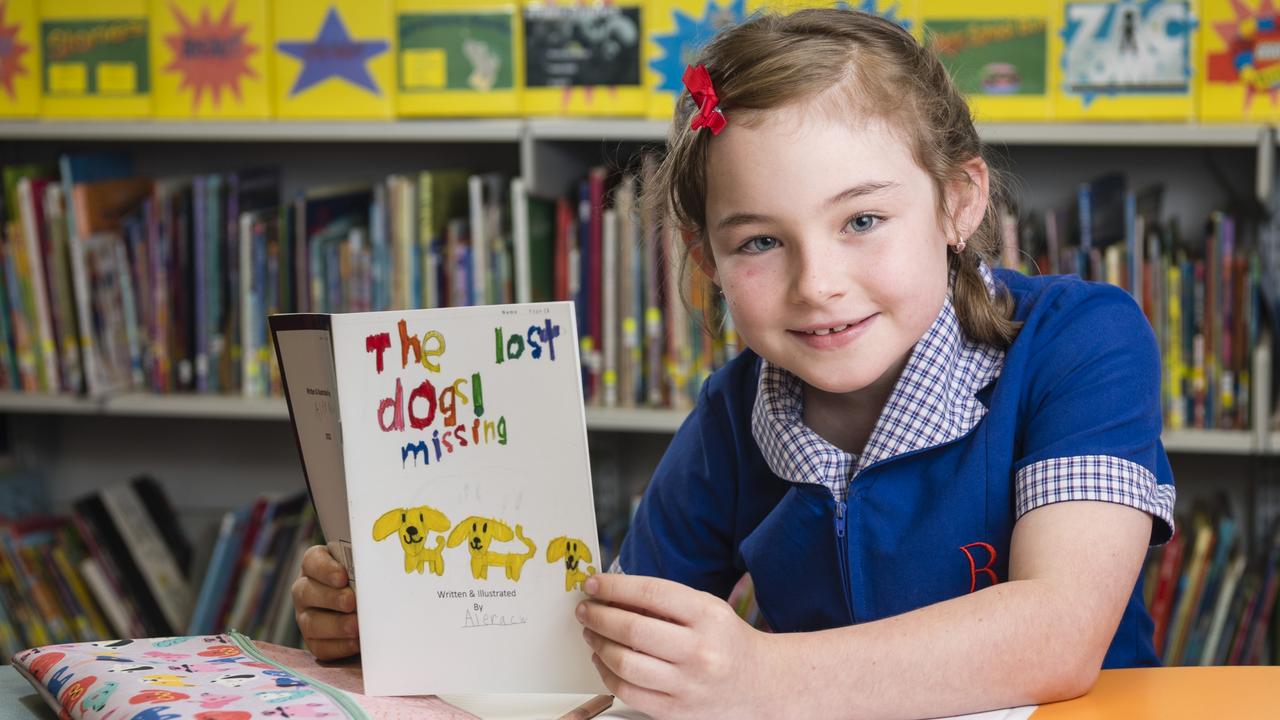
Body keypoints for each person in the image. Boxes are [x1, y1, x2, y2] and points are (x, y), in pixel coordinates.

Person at [291, 8, 1175, 718]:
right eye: (760, 241)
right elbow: (602, 659)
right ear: (704, 257)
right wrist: (415, 623)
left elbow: (1060, 632)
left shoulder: (1081, 339)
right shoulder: (735, 413)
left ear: (957, 201)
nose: (818, 285)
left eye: (862, 220)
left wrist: (760, 678)